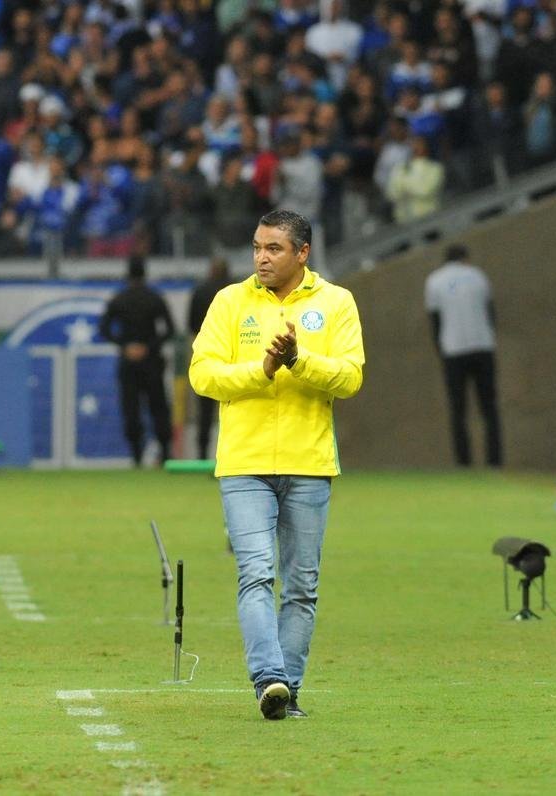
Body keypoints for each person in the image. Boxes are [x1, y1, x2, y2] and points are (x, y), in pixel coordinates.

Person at [188, 208, 365, 721]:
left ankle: (289, 690)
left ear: (302, 253)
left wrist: (297, 362)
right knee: (256, 574)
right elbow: (203, 375)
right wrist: (262, 370)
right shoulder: (230, 301)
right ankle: (270, 678)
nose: (261, 258)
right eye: (257, 248)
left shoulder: (336, 303)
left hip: (309, 463)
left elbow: (351, 378)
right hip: (244, 464)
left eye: (274, 249)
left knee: (302, 586)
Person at [425, 244, 502, 467]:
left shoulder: (434, 281)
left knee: (458, 410)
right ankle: (495, 462)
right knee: (490, 408)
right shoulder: (478, 276)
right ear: (465, 258)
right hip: (483, 347)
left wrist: (441, 351)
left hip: (453, 350)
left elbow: (435, 321)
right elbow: (491, 313)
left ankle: (464, 464)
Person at [99, 254, 176, 467]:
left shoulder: (119, 299)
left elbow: (103, 329)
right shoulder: (154, 298)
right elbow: (169, 330)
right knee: (158, 407)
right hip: (152, 362)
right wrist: (148, 347)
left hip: (128, 364)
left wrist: (125, 346)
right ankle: (166, 453)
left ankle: (136, 456)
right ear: (145, 273)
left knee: (131, 408)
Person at [188, 256, 233, 459]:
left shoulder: (200, 290)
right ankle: (231, 455)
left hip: (208, 353)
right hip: (235, 354)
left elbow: (191, 325)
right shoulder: (236, 292)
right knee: (235, 406)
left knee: (204, 410)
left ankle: (202, 454)